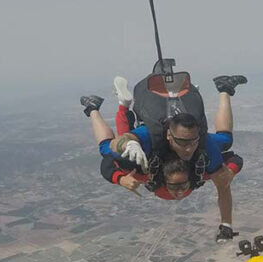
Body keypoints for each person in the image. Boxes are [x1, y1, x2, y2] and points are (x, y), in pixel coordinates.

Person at [81, 74, 246, 242]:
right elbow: (113, 152)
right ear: (169, 135)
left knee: (225, 141)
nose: (188, 148)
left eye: (192, 142)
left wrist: (226, 222)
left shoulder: (204, 148)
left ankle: (224, 88)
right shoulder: (152, 137)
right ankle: (95, 108)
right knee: (108, 150)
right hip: (147, 142)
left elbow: (228, 171)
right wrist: (127, 149)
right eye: (182, 142)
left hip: (177, 144)